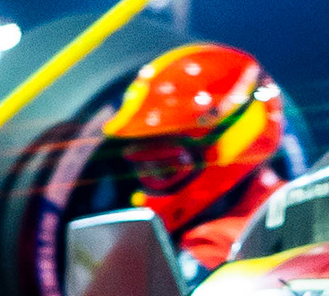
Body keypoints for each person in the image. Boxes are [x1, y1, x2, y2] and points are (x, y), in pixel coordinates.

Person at [86, 43, 299, 273]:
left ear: (234, 139)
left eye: (164, 167)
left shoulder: (214, 249)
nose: (146, 193)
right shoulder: (303, 207)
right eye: (144, 168)